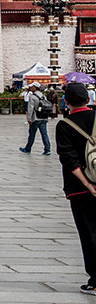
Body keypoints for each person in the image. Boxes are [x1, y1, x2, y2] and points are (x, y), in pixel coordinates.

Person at [56, 82, 96, 294]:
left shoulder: (65, 125)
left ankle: (95, 279)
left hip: (80, 189)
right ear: (88, 99)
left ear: (67, 101)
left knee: (89, 232)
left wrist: (88, 183)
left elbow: (68, 158)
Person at [20, 83, 51, 155]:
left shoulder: (32, 96)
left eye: (32, 87)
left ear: (35, 87)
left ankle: (28, 148)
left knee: (32, 134)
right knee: (44, 134)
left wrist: (29, 119)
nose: (30, 88)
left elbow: (30, 108)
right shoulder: (43, 95)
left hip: (35, 118)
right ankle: (47, 149)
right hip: (43, 117)